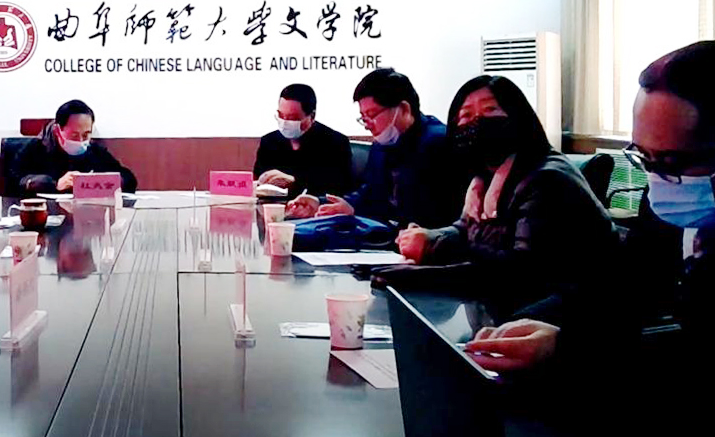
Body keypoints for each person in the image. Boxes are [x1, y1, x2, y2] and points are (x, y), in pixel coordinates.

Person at [465, 41, 715, 371]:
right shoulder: (662, 199)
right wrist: (522, 324)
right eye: (644, 158)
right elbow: (619, 287)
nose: (657, 179)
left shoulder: (547, 177)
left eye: (671, 161)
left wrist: (564, 346)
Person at [383, 75, 613, 311]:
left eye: (490, 110)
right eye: (466, 115)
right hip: (507, 309)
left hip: (569, 315)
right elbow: (464, 229)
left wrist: (428, 260)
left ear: (518, 117)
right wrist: (430, 237)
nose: (477, 121)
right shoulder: (485, 178)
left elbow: (521, 271)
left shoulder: (546, 179)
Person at [286, 69, 464, 228]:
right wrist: (322, 203)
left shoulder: (439, 144)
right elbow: (369, 193)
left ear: (404, 109)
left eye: (372, 115)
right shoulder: (381, 145)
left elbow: (422, 212)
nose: (367, 125)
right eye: (363, 118)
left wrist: (358, 213)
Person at [13, 99, 137, 194]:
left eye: (86, 134)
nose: (81, 141)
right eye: (74, 135)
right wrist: (55, 184)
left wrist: (104, 182)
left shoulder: (95, 151)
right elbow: (16, 183)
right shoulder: (35, 148)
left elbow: (129, 180)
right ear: (57, 131)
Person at [254, 84, 352, 198]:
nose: (284, 122)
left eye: (292, 118)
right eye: (281, 115)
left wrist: (294, 182)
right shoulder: (269, 142)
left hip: (316, 207)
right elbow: (258, 181)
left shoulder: (336, 143)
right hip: (272, 206)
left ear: (312, 116)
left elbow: (337, 188)